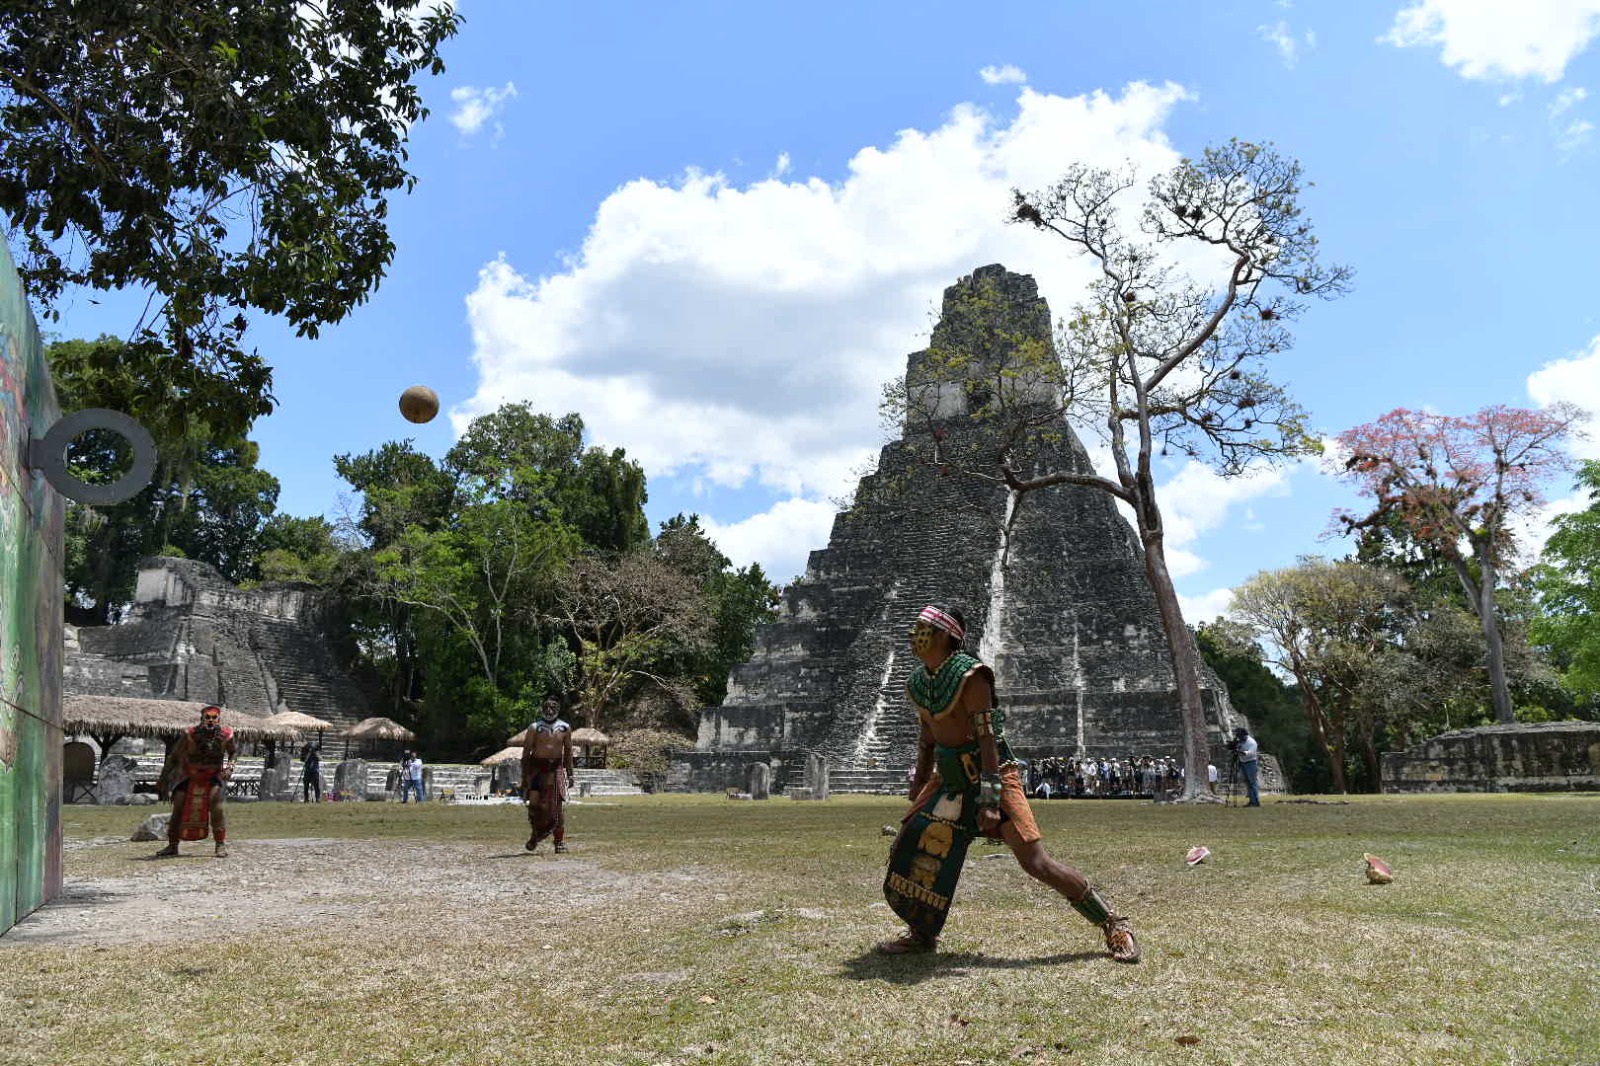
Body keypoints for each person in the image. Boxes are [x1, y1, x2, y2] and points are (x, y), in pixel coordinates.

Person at [878, 604, 1140, 963]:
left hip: (992, 774)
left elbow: (987, 741)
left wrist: (989, 799)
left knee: (1036, 863)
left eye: (922, 627)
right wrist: (920, 782)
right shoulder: (920, 682)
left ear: (944, 635)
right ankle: (922, 933)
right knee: (910, 842)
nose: (914, 634)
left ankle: (1112, 923)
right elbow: (928, 736)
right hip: (949, 777)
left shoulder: (972, 677)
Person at [155, 705, 237, 858]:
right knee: (178, 806)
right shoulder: (189, 734)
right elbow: (174, 757)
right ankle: (172, 845)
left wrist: (230, 767)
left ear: (219, 719)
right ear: (202, 719)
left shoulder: (227, 735)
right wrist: (163, 778)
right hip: (189, 776)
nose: (211, 721)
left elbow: (233, 752)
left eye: (214, 718)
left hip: (212, 776)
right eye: (208, 717)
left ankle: (220, 844)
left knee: (217, 808)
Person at [522, 696, 575, 853]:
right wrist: (524, 776)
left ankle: (559, 841)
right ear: (542, 709)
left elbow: (568, 752)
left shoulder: (565, 728)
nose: (549, 710)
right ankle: (535, 835)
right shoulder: (534, 728)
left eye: (553, 707)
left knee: (557, 807)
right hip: (537, 770)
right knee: (534, 805)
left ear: (558, 709)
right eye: (546, 707)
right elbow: (526, 753)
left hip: (556, 769)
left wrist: (570, 773)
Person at [1233, 726, 1261, 806]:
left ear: (1244, 735)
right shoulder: (1240, 741)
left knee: (1252, 782)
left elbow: (1250, 753)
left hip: (1251, 762)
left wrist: (1240, 752)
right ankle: (1251, 800)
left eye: (1239, 736)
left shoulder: (1252, 742)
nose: (1238, 738)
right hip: (1243, 762)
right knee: (1247, 782)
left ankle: (1255, 801)